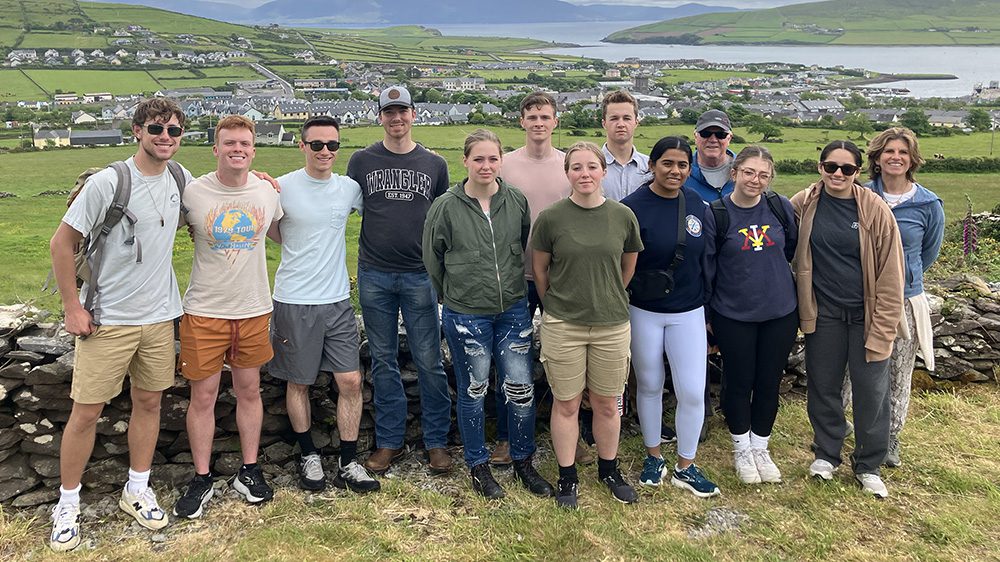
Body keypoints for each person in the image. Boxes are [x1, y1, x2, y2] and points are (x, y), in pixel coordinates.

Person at [48, 98, 193, 551]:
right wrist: (74, 308)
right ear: (136, 131)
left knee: (149, 405)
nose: (165, 137)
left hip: (158, 316)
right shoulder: (110, 181)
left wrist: (262, 180)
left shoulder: (180, 178)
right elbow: (61, 243)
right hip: (108, 318)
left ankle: (137, 488)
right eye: (156, 129)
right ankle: (67, 504)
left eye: (174, 131)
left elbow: (223, 192)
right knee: (86, 412)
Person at [423, 129, 554, 499]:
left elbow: (523, 241)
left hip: (512, 308)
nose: (486, 165)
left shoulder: (514, 200)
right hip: (466, 314)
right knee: (474, 390)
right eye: (478, 158)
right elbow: (433, 261)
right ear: (464, 161)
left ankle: (523, 460)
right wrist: (453, 298)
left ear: (501, 161)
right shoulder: (445, 207)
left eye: (492, 159)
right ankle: (478, 466)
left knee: (521, 389)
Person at [173, 115, 283, 518]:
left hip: (254, 307)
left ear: (254, 150)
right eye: (229, 144)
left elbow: (285, 234)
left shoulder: (269, 192)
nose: (237, 150)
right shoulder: (193, 192)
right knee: (202, 396)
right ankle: (202, 478)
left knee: (249, 391)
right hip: (203, 310)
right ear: (215, 149)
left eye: (245, 144)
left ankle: (249, 470)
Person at [268, 116, 380, 494]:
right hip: (294, 299)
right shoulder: (282, 187)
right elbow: (271, 230)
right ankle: (308, 455)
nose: (326, 152)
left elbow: (383, 213)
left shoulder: (349, 188)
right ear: (302, 146)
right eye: (317, 145)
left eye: (332, 145)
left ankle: (348, 461)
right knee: (298, 381)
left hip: (337, 300)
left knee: (350, 380)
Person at [347, 85, 453, 475]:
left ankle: (436, 442)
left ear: (413, 114)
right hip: (373, 273)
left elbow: (442, 215)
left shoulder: (434, 164)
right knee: (383, 360)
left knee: (429, 361)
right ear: (380, 117)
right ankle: (389, 442)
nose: (396, 119)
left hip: (420, 274)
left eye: (402, 111)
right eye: (388, 112)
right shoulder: (361, 161)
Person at [531, 141, 643, 509]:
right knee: (566, 404)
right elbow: (540, 270)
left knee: (607, 403)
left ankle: (609, 470)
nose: (584, 174)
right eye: (576, 168)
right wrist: (557, 306)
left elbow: (627, 266)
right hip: (564, 324)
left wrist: (608, 295)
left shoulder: (623, 216)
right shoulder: (551, 218)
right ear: (567, 174)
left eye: (591, 167)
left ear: (603, 172)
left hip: (611, 323)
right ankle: (567, 477)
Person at [791, 140, 904, 499]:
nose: (837, 174)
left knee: (872, 390)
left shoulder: (875, 210)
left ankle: (869, 464)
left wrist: (885, 326)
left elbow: (891, 274)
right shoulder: (803, 204)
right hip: (824, 314)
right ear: (820, 167)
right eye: (830, 167)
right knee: (823, 386)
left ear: (858, 172)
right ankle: (826, 453)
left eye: (847, 169)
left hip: (866, 314)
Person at [621, 136, 720, 498]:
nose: (675, 171)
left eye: (682, 165)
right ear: (652, 166)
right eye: (667, 163)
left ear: (689, 168)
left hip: (689, 310)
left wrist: (709, 311)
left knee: (692, 392)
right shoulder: (631, 207)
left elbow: (707, 258)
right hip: (643, 311)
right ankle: (653, 456)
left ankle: (686, 465)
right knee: (648, 385)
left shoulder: (696, 203)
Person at [844, 127, 944, 468]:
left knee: (898, 371)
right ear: (876, 158)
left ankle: (890, 438)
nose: (896, 157)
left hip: (903, 299)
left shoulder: (928, 204)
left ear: (912, 159)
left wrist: (904, 277)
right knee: (851, 368)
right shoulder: (858, 194)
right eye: (889, 151)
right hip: (858, 295)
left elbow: (927, 252)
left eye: (903, 152)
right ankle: (842, 426)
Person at [703, 146, 799, 484]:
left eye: (763, 175)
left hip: (780, 311)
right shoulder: (717, 213)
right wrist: (709, 317)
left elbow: (790, 248)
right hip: (733, 313)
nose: (755, 180)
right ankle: (741, 449)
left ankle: (762, 447)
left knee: (769, 381)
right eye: (748, 172)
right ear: (734, 173)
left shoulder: (779, 207)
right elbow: (708, 268)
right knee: (739, 381)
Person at [496, 91, 579, 467]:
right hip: (515, 277)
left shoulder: (569, 165)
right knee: (510, 360)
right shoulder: (506, 165)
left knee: (573, 355)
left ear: (555, 121)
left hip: (563, 277)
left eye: (545, 117)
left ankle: (580, 431)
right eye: (532, 117)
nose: (539, 123)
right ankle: (505, 435)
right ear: (522, 122)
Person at [600, 89, 649, 202]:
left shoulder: (650, 168)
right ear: (604, 123)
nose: (621, 124)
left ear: (636, 122)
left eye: (626, 118)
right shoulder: (590, 168)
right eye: (614, 118)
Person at [685, 109, 736, 204]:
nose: (713, 139)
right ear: (695, 136)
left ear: (729, 138)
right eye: (706, 134)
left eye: (720, 135)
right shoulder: (681, 173)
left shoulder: (746, 171)